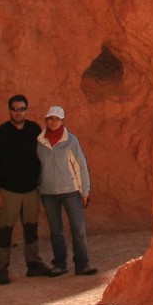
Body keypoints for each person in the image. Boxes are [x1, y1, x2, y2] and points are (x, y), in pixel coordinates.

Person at [0, 94, 56, 284]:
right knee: (5, 230)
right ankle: (1, 268)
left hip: (31, 190)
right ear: (9, 110)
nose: (18, 113)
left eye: (22, 109)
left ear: (26, 110)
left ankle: (33, 265)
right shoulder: (0, 134)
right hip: (9, 191)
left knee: (31, 228)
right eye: (15, 109)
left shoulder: (34, 129)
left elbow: (45, 153)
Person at [36, 105, 97, 277]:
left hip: (71, 191)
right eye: (50, 118)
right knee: (56, 231)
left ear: (62, 121)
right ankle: (60, 265)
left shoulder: (71, 141)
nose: (53, 122)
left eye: (57, 119)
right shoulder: (40, 142)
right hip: (48, 193)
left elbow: (80, 166)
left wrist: (85, 190)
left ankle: (82, 264)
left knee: (78, 229)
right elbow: (37, 167)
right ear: (46, 120)